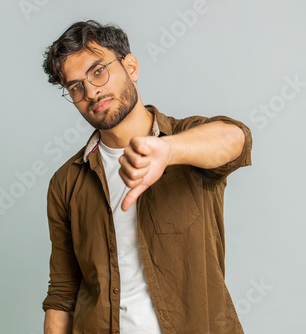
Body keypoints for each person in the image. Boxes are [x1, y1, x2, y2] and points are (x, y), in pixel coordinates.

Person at [41, 20, 252, 334]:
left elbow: (236, 139)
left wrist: (168, 151)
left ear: (131, 66)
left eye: (98, 71)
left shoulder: (187, 139)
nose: (91, 91)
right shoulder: (67, 182)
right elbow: (62, 292)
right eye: (75, 87)